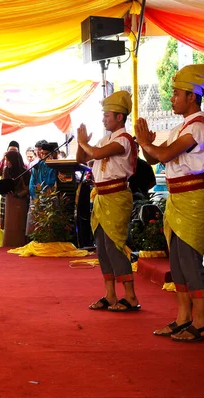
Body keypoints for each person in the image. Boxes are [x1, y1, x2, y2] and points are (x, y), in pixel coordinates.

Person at [135, 64, 204, 342]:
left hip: (192, 197)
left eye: (175, 93)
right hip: (178, 198)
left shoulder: (197, 128)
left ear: (192, 97)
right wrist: (146, 145)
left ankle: (201, 323)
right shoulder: (180, 127)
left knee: (191, 261)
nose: (171, 98)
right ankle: (183, 318)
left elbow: (161, 154)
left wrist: (147, 144)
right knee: (179, 263)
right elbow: (153, 158)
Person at [77, 90, 140, 313]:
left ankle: (131, 296)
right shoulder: (107, 139)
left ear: (119, 117)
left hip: (116, 196)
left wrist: (85, 143)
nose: (104, 119)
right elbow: (82, 158)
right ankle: (110, 294)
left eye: (107, 115)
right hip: (102, 196)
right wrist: (80, 143)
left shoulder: (123, 139)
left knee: (114, 247)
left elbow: (93, 152)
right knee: (102, 249)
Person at [2, 150, 30, 247]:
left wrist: (19, 194)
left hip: (20, 201)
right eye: (6, 160)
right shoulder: (6, 170)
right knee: (9, 225)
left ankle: (19, 245)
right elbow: (3, 184)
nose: (7, 163)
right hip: (9, 201)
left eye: (9, 160)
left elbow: (27, 188)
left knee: (18, 225)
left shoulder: (24, 172)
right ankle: (8, 245)